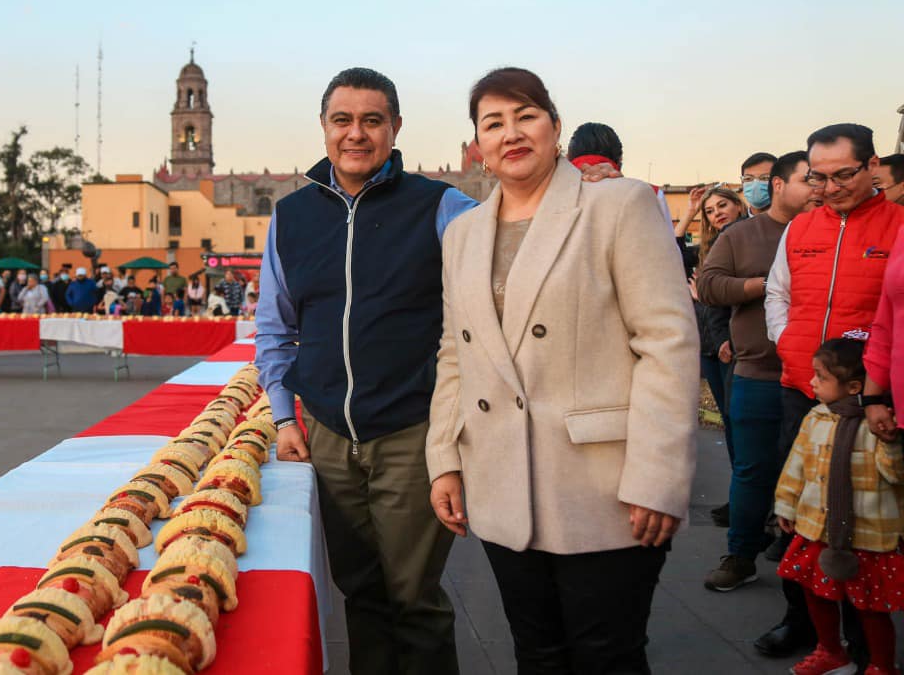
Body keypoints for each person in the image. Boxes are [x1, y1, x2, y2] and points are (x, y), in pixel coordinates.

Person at [427, 67, 698, 673]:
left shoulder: (617, 206)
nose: (511, 133)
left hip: (603, 483)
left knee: (608, 655)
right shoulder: (463, 234)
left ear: (555, 127)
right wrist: (444, 456)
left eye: (526, 116)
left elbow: (667, 343)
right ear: (477, 144)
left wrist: (657, 476)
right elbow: (455, 353)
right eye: (493, 123)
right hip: (499, 479)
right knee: (538, 652)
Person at [258, 66, 478, 675]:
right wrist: (283, 417)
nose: (357, 134)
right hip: (327, 436)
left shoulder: (441, 205)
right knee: (361, 594)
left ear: (395, 128)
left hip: (410, 432)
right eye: (343, 120)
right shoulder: (291, 217)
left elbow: (501, 276)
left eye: (372, 120)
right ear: (325, 128)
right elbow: (276, 329)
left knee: (415, 599)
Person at [764, 123, 904, 660]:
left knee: (863, 525)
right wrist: (788, 342)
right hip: (802, 391)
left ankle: (870, 646)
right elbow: (778, 293)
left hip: (867, 400)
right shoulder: (800, 228)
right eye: (818, 177)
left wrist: (875, 389)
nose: (831, 186)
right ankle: (805, 626)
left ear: (873, 167)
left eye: (844, 174)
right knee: (801, 519)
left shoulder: (895, 227)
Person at [698, 152, 819, 595]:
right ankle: (741, 555)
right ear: (780, 186)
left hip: (819, 381)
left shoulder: (830, 232)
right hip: (758, 373)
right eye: (810, 179)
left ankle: (804, 567)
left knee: (812, 477)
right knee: (751, 471)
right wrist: (762, 285)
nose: (819, 188)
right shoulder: (741, 235)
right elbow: (709, 286)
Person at [773, 337, 904, 675]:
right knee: (815, 592)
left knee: (871, 607)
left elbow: (895, 476)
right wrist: (785, 504)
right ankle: (831, 651)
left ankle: (882, 665)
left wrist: (890, 442)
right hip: (816, 527)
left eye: (821, 376)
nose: (812, 381)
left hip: (868, 535)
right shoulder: (815, 417)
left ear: (854, 386)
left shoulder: (878, 424)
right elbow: (796, 465)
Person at [691, 185, 748, 482]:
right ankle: (739, 492)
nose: (717, 214)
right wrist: (689, 212)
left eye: (722, 206)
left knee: (738, 422)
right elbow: (670, 247)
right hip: (713, 345)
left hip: (729, 344)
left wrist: (705, 295)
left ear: (738, 205)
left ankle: (744, 494)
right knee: (730, 422)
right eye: (710, 211)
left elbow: (730, 295)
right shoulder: (713, 244)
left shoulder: (744, 236)